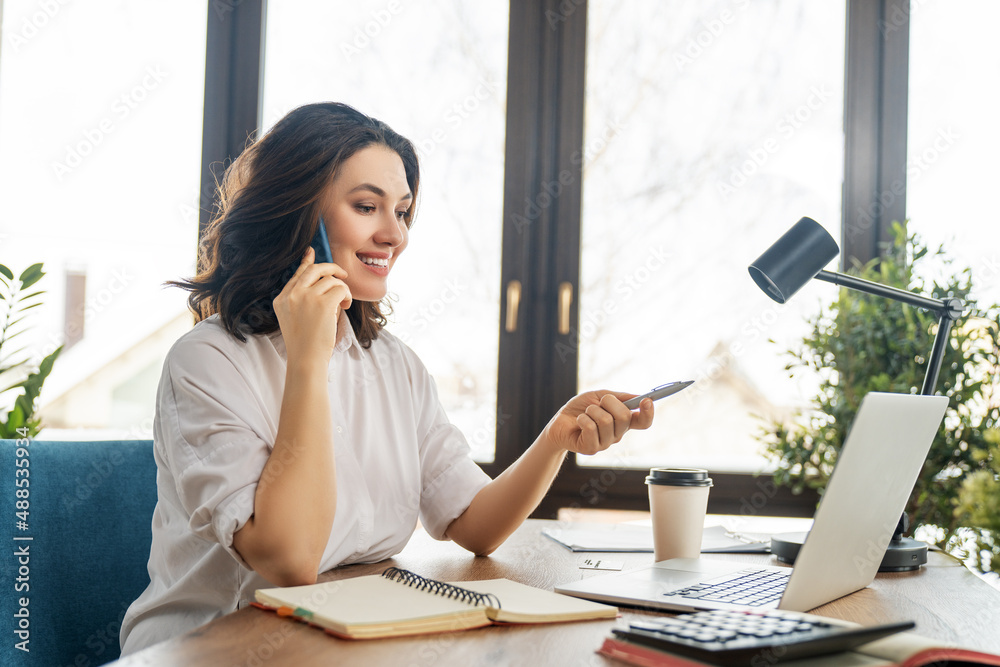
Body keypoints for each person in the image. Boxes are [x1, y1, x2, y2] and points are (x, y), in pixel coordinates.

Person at [119, 102, 655, 654]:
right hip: (216, 648)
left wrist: (554, 439)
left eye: (402, 212)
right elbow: (290, 559)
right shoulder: (207, 362)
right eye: (367, 206)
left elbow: (473, 523)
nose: (393, 234)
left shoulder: (394, 365)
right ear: (296, 215)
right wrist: (308, 359)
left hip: (344, 639)